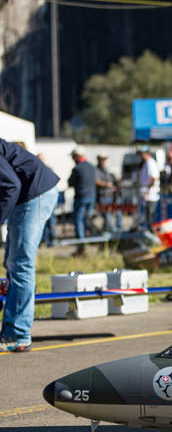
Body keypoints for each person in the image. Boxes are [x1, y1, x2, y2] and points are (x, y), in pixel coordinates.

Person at [0, 139, 59, 352]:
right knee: (12, 263)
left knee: (20, 264)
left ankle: (17, 335)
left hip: (33, 195)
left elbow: (11, 186)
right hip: (28, 193)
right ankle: (12, 325)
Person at [68, 150, 97, 254]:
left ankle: (81, 245)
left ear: (76, 157)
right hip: (92, 196)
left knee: (78, 220)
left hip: (81, 197)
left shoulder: (77, 168)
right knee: (87, 220)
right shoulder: (91, 166)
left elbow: (70, 182)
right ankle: (92, 238)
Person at [94, 153, 121, 234]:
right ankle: (111, 232)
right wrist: (107, 184)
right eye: (102, 159)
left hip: (111, 195)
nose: (103, 161)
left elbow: (113, 180)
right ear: (99, 160)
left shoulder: (107, 170)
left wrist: (114, 186)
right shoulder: (96, 170)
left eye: (104, 159)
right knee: (106, 215)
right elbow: (96, 181)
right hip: (103, 196)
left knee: (117, 212)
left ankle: (117, 230)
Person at [137, 146, 161, 229]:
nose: (141, 155)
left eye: (142, 153)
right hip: (147, 196)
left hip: (151, 196)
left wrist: (147, 192)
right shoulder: (146, 163)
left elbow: (154, 179)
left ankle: (153, 237)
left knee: (151, 219)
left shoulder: (151, 163)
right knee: (148, 218)